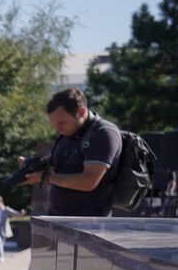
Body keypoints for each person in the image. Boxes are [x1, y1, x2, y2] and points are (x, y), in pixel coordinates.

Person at [16, 88, 123, 216]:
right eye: (54, 124)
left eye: (62, 123)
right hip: (58, 219)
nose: (58, 129)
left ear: (81, 112)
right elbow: (51, 161)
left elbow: (88, 181)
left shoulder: (103, 133)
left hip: (89, 224)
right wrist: (30, 164)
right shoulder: (68, 133)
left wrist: (45, 177)